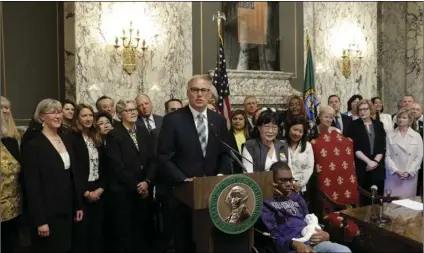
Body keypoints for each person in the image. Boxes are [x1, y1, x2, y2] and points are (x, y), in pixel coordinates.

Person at [157, 74, 231, 252]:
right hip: (183, 195)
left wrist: (220, 176)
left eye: (203, 90)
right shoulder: (172, 120)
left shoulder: (218, 120)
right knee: (185, 243)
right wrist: (183, 179)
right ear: (188, 93)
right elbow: (163, 156)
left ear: (209, 95)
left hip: (213, 194)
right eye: (195, 90)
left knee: (210, 242)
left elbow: (226, 153)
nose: (199, 94)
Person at [21, 99, 83, 253]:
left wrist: (78, 205)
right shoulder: (34, 145)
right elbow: (32, 186)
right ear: (42, 117)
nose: (58, 116)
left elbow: (72, 176)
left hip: (67, 210)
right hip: (48, 214)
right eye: (52, 112)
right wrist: (40, 220)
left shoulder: (66, 139)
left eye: (59, 112)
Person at [261, 161, 351, 253]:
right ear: (272, 181)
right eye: (282, 180)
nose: (288, 184)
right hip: (291, 247)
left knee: (344, 250)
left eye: (290, 180)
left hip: (312, 242)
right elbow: (273, 236)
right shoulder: (266, 202)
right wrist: (294, 244)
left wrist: (325, 234)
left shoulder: (296, 197)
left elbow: (309, 220)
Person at [105, 99, 156, 253]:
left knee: (142, 233)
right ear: (120, 114)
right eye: (128, 110)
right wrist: (137, 186)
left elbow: (153, 159)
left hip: (144, 190)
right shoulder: (114, 135)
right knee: (126, 235)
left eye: (134, 109)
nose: (133, 112)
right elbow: (117, 167)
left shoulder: (143, 131)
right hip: (124, 193)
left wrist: (147, 182)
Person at [71, 104, 106, 253]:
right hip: (80, 194)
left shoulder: (96, 136)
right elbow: (73, 170)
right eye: (84, 115)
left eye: (91, 115)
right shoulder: (71, 138)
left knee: (97, 235)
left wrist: (100, 189)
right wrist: (85, 192)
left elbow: (105, 166)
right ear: (77, 118)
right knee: (82, 237)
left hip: (98, 190)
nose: (88, 118)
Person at [347, 100, 386, 205]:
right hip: (362, 165)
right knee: (364, 198)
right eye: (360, 110)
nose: (362, 112)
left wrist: (375, 162)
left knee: (378, 197)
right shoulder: (353, 125)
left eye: (365, 109)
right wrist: (369, 162)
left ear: (371, 110)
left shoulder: (379, 124)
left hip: (377, 166)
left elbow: (382, 146)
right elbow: (355, 148)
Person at [385, 109, 423, 198]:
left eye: (404, 118)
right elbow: (387, 156)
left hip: (409, 175)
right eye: (399, 117)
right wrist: (395, 170)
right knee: (392, 205)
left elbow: (419, 156)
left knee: (408, 205)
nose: (401, 120)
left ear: (410, 120)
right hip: (393, 175)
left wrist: (410, 171)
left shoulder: (416, 136)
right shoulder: (390, 135)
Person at [1, 96, 22, 253]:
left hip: (13, 206)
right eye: (1, 107)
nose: (6, 111)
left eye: (8, 107)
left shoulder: (13, 140)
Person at [284, 118, 314, 194]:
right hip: (284, 187)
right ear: (289, 128)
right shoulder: (281, 144)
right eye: (294, 129)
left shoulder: (308, 146)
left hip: (300, 189)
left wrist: (299, 184)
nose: (297, 133)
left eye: (300, 131)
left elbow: (309, 168)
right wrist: (291, 184)